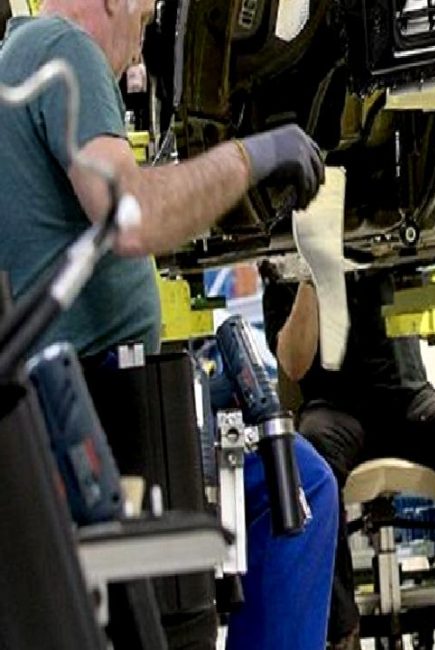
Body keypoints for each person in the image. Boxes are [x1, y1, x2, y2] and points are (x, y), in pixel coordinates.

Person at [0, 3, 337, 649]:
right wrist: (250, 155)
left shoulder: (14, 57)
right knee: (306, 488)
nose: (142, 42)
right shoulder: (62, 49)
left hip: (72, 398)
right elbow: (130, 214)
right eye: (146, 14)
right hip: (101, 404)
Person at [262, 268, 435, 650]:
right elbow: (294, 364)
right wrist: (310, 275)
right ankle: (340, 629)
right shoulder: (285, 272)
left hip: (407, 400)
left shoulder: (385, 249)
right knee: (309, 457)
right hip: (336, 410)